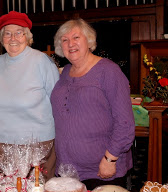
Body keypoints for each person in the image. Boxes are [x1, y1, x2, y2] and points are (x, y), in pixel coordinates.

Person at [50, 18, 135, 190]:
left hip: (101, 170)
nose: (70, 43)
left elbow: (125, 123)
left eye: (76, 37)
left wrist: (110, 159)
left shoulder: (108, 71)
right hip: (68, 170)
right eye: (64, 40)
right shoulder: (65, 72)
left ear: (88, 40)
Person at [0, 11, 60, 181]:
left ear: (27, 36)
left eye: (19, 32)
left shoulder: (42, 61)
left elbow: (58, 104)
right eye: (8, 33)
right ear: (1, 37)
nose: (13, 38)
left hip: (36, 146)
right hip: (2, 144)